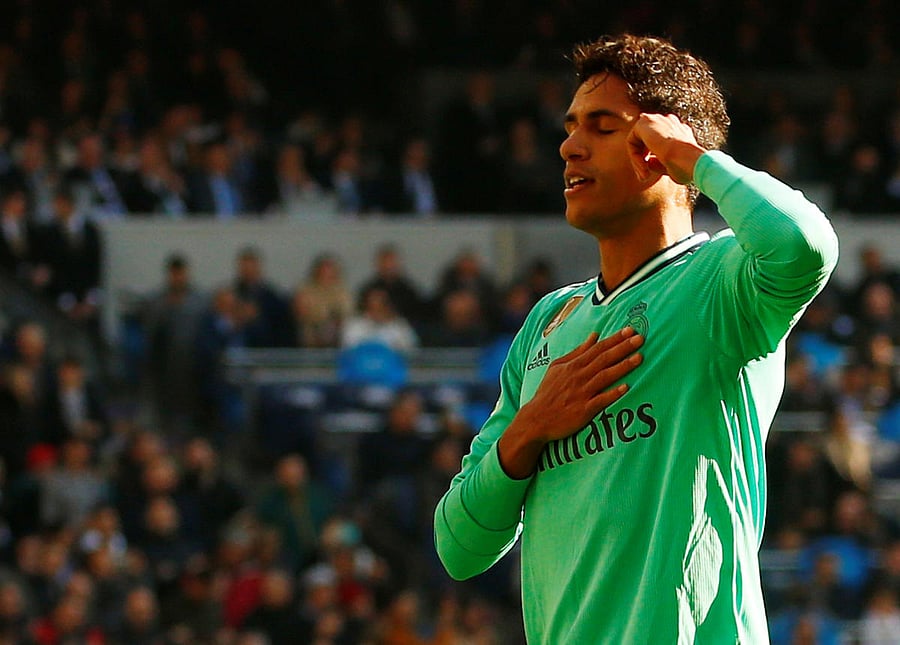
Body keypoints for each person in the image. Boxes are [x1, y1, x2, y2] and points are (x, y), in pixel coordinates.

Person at [433, 34, 839, 644]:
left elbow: (803, 244)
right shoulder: (549, 322)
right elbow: (459, 548)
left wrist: (696, 157)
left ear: (661, 145)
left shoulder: (723, 284)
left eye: (601, 127)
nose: (569, 146)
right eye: (570, 127)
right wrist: (532, 426)